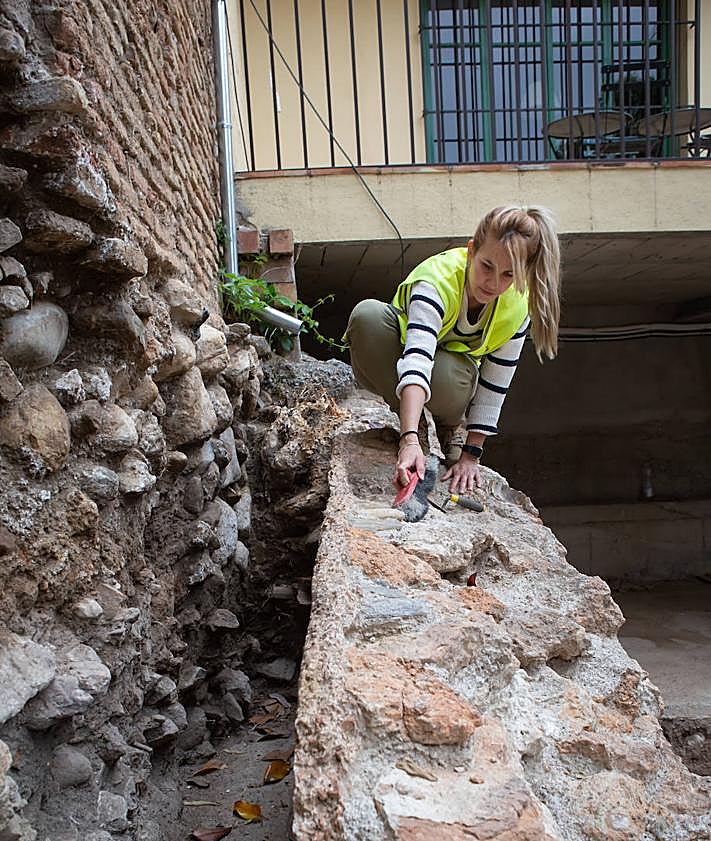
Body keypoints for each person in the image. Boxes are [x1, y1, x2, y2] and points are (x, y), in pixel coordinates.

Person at [345, 205, 561, 495]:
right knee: (367, 316)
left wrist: (471, 455)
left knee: (447, 370)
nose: (494, 283)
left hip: (452, 384)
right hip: (399, 361)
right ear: (471, 250)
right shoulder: (436, 281)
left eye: (508, 275)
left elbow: (495, 385)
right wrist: (408, 440)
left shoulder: (517, 307)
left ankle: (450, 428)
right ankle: (414, 423)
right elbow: (418, 361)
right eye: (487, 266)